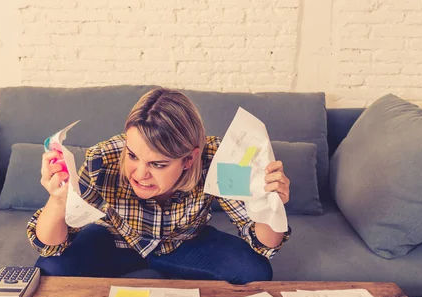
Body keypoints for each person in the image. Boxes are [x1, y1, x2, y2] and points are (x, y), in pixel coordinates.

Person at [26, 88, 291, 284]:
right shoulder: (103, 158)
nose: (140, 174)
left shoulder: (217, 158)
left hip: (184, 242)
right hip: (114, 240)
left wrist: (269, 205)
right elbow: (50, 243)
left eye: (158, 164)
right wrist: (58, 200)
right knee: (49, 270)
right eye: (132, 156)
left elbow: (264, 244)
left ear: (189, 159)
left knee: (256, 272)